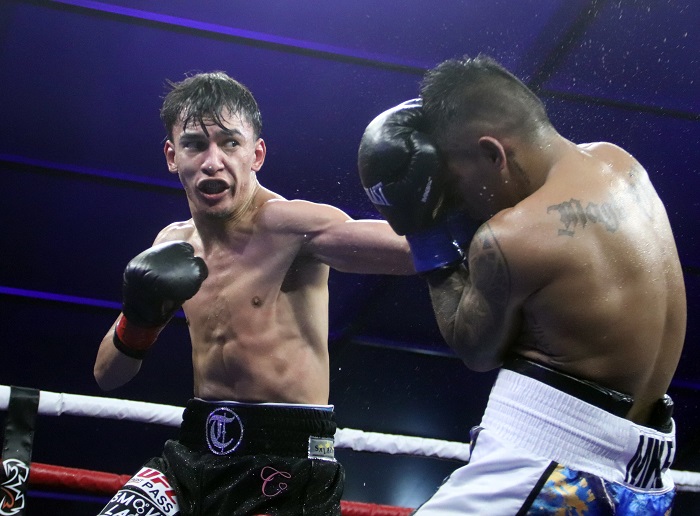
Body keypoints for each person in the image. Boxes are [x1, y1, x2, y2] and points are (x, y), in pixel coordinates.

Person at [358, 55, 686, 514]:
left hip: (550, 467)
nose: (458, 201)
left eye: (455, 181)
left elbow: (474, 349)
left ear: (494, 154)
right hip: (645, 478)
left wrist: (425, 233)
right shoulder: (622, 165)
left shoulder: (511, 237)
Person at [94, 71, 414, 516]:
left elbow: (414, 252)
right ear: (172, 155)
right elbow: (107, 376)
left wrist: (466, 212)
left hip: (287, 460)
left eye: (230, 143)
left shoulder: (291, 227)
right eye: (194, 145)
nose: (213, 162)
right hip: (193, 450)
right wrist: (140, 317)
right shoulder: (172, 244)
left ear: (256, 154)